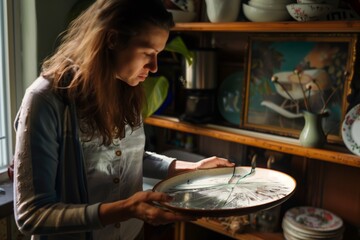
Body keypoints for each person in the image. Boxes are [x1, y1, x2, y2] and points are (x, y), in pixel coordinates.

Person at [13, 0, 234, 239]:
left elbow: (128, 156)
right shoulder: (45, 101)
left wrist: (192, 168)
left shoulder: (124, 89)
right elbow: (31, 215)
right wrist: (125, 209)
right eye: (147, 53)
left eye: (157, 54)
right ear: (112, 39)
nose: (154, 67)